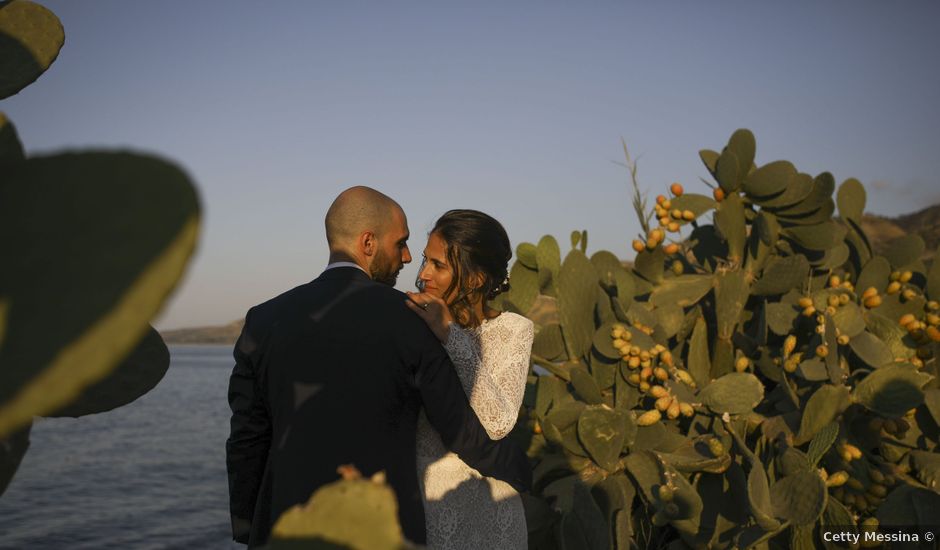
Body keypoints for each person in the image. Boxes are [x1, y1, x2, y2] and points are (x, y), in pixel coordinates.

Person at [225, 187, 531, 548]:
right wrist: (521, 471)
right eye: (401, 244)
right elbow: (461, 430)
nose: (407, 259)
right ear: (368, 243)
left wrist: (248, 527)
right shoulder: (411, 319)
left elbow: (247, 439)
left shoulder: (262, 320)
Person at [405, 209, 533, 549]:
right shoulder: (410, 323)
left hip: (493, 513)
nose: (422, 274)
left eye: (438, 265)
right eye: (424, 261)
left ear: (475, 279)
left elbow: (498, 422)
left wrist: (449, 335)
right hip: (425, 508)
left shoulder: (514, 330)